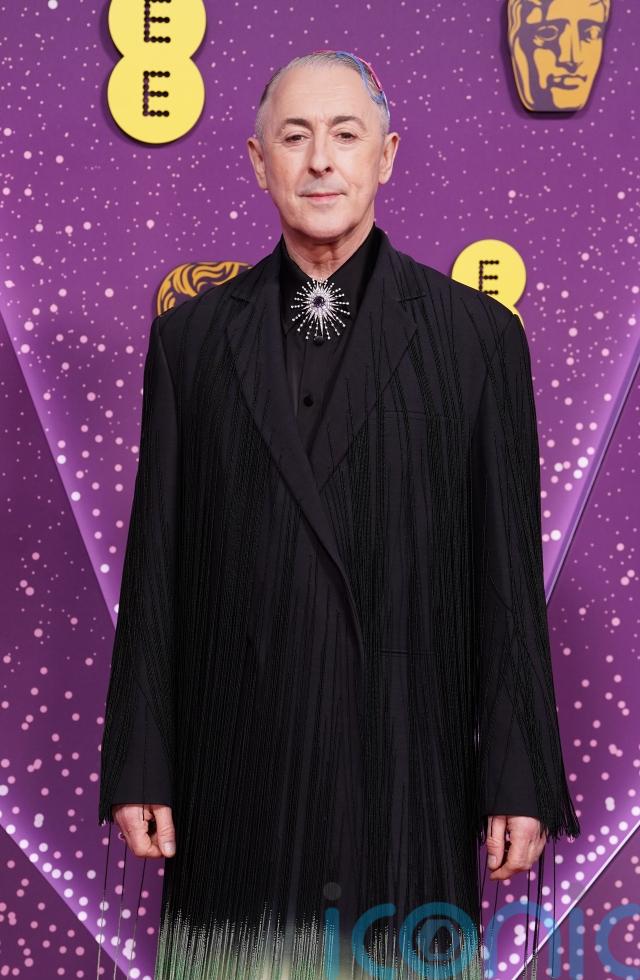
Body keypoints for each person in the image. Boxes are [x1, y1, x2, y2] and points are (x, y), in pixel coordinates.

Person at [98, 50, 580, 980]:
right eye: (294, 136)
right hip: (237, 772)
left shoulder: (477, 339)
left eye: (345, 134)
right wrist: (140, 764)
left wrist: (518, 777)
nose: (320, 159)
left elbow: (507, 583)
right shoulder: (190, 341)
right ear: (258, 162)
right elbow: (155, 568)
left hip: (405, 772)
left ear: (386, 156)